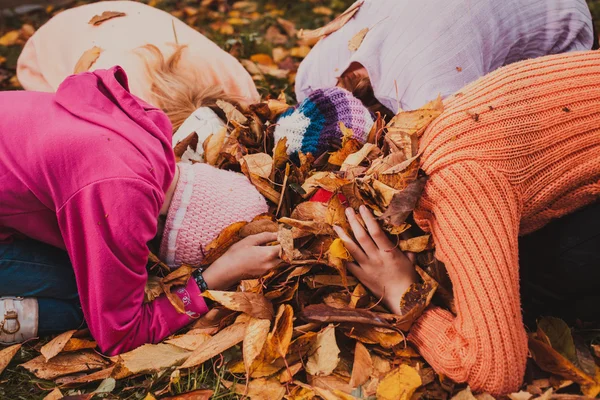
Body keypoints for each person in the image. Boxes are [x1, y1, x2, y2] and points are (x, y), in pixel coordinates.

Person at [280, 51, 600, 395]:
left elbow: (493, 372)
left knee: (534, 286)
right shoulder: (439, 120)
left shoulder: (453, 181)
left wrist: (403, 297)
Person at [0, 66, 281, 355]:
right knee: (89, 299)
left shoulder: (147, 133)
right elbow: (120, 334)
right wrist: (212, 278)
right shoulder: (121, 197)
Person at [296, 0, 595, 116]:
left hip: (561, 20)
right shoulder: (311, 73)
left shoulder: (430, 89)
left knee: (526, 117)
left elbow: (461, 140)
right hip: (439, 21)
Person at [16, 0, 258, 133]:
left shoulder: (236, 83)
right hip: (59, 35)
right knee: (61, 119)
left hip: (132, 15)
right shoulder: (105, 93)